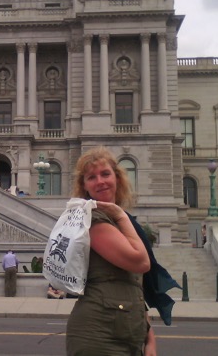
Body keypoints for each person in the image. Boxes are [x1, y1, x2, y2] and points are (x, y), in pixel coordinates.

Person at [65, 146, 156, 356]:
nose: (100, 181)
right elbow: (140, 262)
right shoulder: (92, 219)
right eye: (91, 177)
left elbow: (133, 282)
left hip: (128, 334)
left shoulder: (120, 220)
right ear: (85, 186)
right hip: (98, 334)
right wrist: (120, 214)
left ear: (117, 177)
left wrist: (149, 335)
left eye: (105, 174)